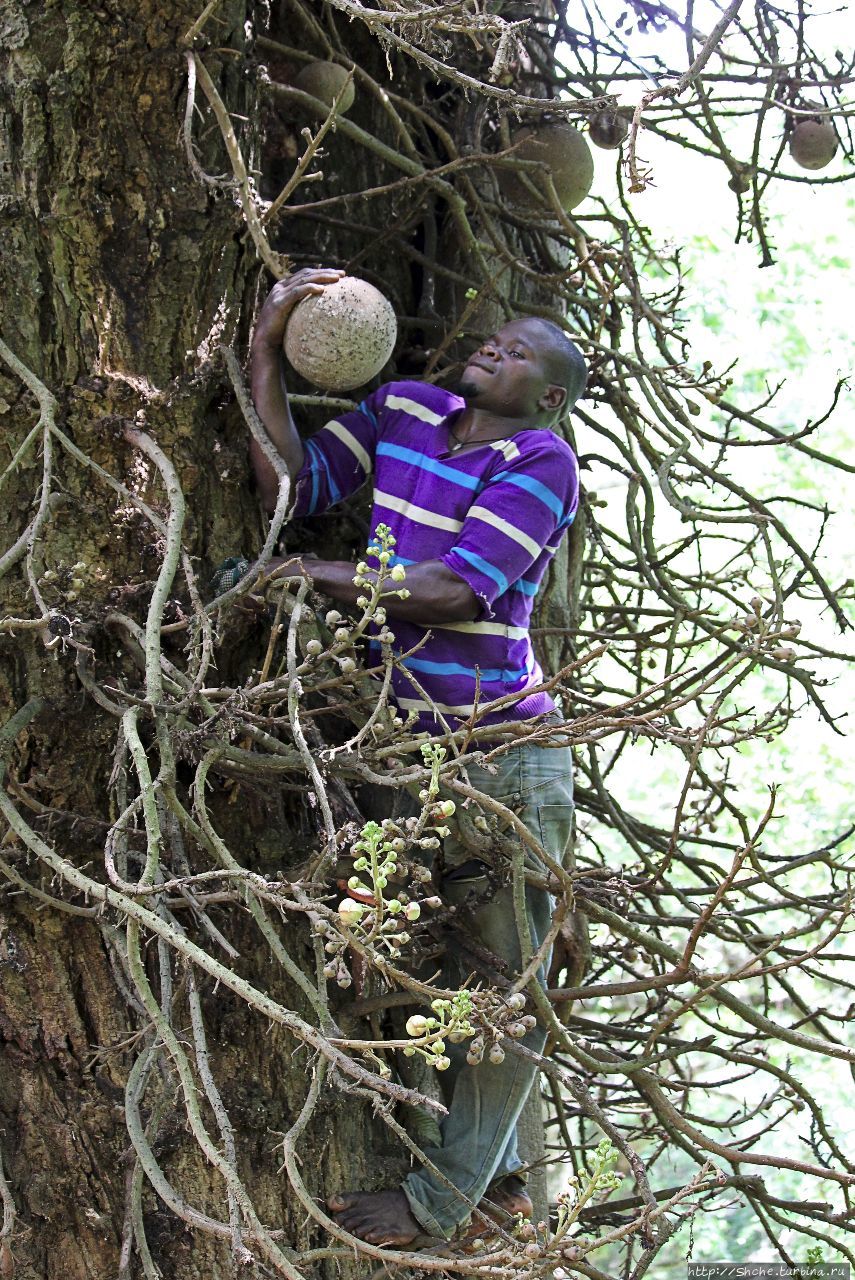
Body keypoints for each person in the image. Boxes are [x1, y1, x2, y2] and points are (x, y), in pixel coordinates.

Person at [248, 267, 586, 1247]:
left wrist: (314, 573)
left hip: (501, 753)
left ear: (548, 397)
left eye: (520, 352)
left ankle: (443, 1201)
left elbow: (454, 589)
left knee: (499, 982)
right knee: (412, 963)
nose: (494, 347)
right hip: (402, 748)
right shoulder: (403, 409)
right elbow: (293, 484)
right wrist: (267, 349)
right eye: (496, 337)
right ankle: (481, 1168)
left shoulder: (540, 460)